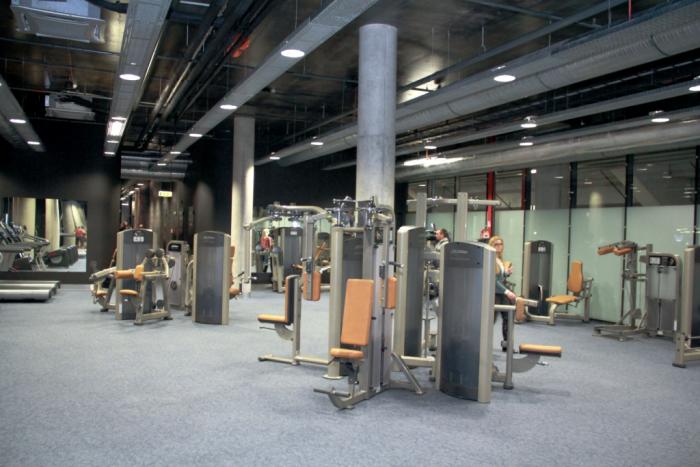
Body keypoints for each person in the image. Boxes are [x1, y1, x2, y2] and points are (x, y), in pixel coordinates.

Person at [488, 235, 516, 351]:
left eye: (501, 244)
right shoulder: (490, 259)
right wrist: (507, 291)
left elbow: (500, 277)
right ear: (491, 246)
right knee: (489, 321)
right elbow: (493, 280)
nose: (499, 246)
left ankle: (507, 345)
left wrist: (507, 273)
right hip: (494, 294)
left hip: (501, 293)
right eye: (496, 244)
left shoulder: (499, 259)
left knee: (508, 318)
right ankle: (481, 344)